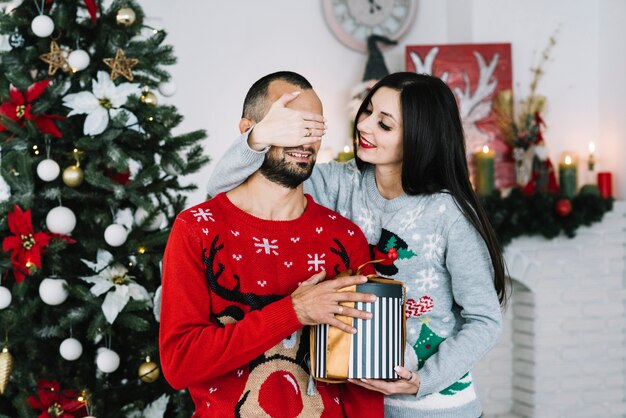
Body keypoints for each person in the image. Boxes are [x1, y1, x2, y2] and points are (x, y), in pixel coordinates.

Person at [207, 72, 508, 418]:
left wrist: (422, 380)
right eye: (366, 112)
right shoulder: (339, 183)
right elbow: (226, 193)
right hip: (360, 404)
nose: (364, 126)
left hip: (436, 410)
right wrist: (259, 136)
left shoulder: (448, 214)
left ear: (418, 138)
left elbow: (484, 320)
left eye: (384, 124)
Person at [159, 71, 383, 417]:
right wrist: (293, 311)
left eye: (315, 128)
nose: (305, 140)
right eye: (292, 125)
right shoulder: (197, 230)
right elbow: (180, 364)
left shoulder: (344, 238)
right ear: (249, 129)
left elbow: (362, 388)